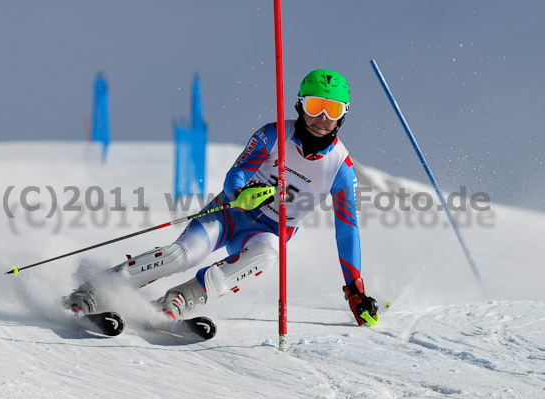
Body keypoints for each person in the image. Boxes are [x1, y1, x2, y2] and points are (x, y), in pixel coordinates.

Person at [65, 69, 378, 326]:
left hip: (268, 232)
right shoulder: (273, 135)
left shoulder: (340, 169)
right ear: (300, 105)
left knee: (269, 253)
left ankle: (181, 299)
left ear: (343, 116)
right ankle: (96, 289)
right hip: (229, 214)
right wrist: (241, 193)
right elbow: (236, 174)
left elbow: (346, 229)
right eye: (314, 106)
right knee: (181, 256)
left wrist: (355, 290)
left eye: (332, 110)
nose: (322, 117)